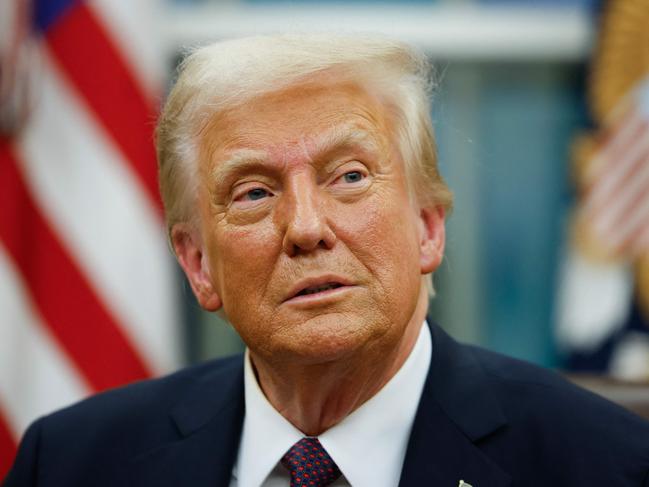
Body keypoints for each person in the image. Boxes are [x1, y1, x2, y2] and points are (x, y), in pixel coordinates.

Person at [4, 34, 649, 487]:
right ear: (198, 264)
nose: (306, 229)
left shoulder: (606, 464)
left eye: (348, 176)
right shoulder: (70, 464)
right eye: (254, 192)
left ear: (428, 228)